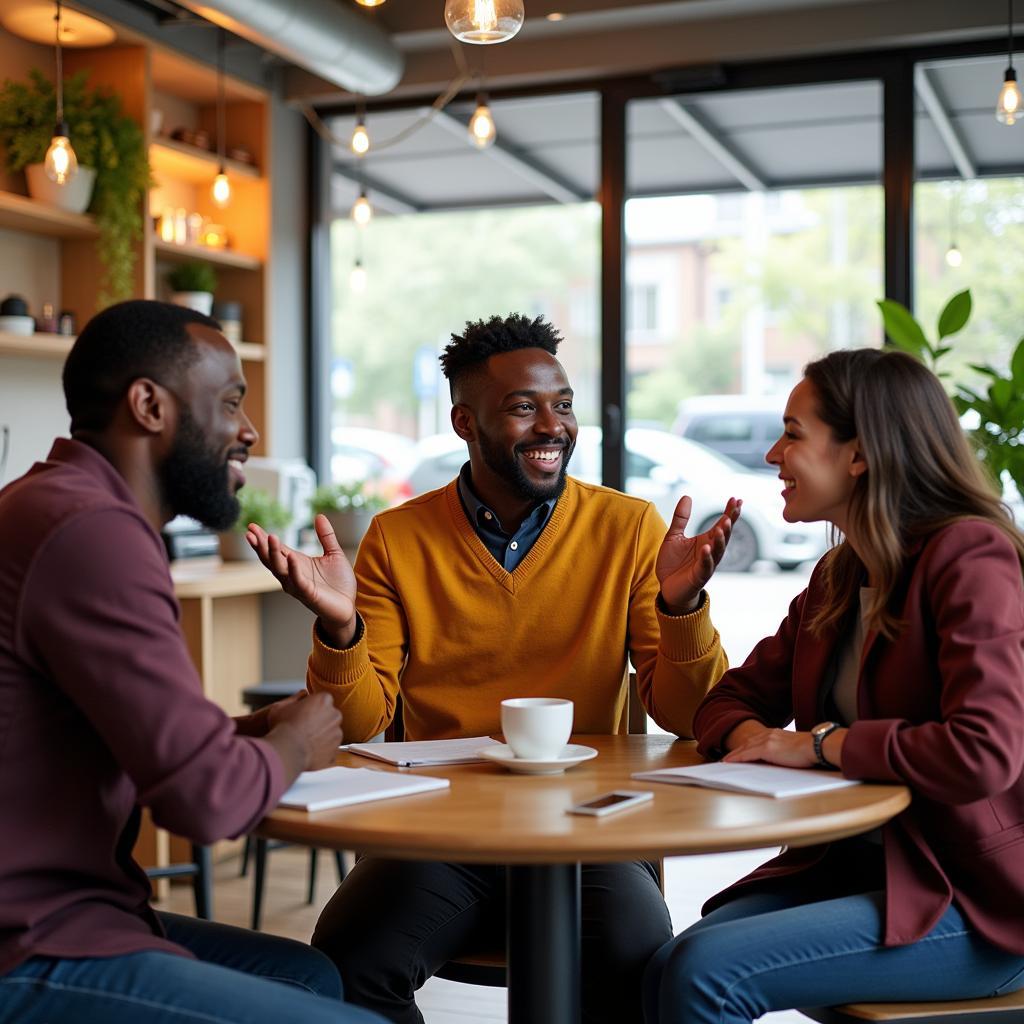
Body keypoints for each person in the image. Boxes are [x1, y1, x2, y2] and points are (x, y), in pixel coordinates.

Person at [247, 312, 740, 1024]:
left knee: (641, 962)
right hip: (437, 834)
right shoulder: (398, 536)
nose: (553, 425)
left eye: (563, 405)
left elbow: (690, 715)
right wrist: (340, 626)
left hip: (591, 835)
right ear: (465, 423)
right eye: (523, 407)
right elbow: (357, 724)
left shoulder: (629, 529)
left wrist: (683, 603)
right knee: (344, 967)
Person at [0, 300, 386, 1024]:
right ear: (149, 405)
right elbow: (205, 801)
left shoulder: (60, 504)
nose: (249, 432)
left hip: (80, 917)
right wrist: (294, 743)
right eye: (232, 402)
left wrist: (256, 731)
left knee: (311, 979)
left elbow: (139, 745)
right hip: (30, 943)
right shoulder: (91, 531)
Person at [642, 347, 1024, 1024]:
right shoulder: (838, 576)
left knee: (702, 975)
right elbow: (723, 702)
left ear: (859, 453)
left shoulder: (970, 556)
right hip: (856, 875)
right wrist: (753, 733)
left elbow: (983, 752)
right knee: (665, 966)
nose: (772, 457)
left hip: (977, 902)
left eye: (793, 434)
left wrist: (818, 745)